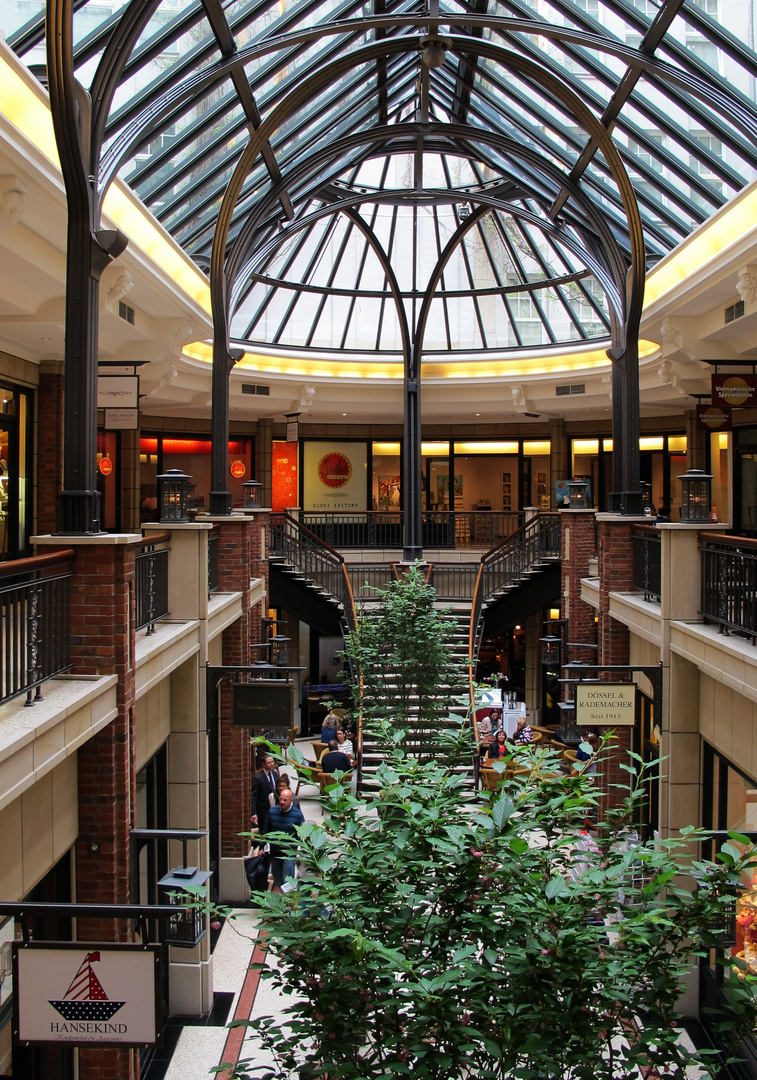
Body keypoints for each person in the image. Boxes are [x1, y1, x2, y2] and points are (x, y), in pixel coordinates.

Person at [266, 788, 305, 892]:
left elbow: (303, 833)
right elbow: (266, 831)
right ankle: (278, 905)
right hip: (275, 853)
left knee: (288, 882)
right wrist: (262, 847)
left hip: (289, 853)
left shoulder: (297, 815)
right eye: (280, 799)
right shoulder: (272, 812)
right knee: (278, 880)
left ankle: (288, 906)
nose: (282, 802)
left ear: (291, 800)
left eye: (285, 800)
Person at [251, 754, 279, 833]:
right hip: (263, 811)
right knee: (264, 831)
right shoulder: (258, 778)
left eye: (272, 762)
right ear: (263, 764)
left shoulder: (274, 774)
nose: (271, 764)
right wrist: (253, 813)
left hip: (274, 807)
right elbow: (253, 796)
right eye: (269, 763)